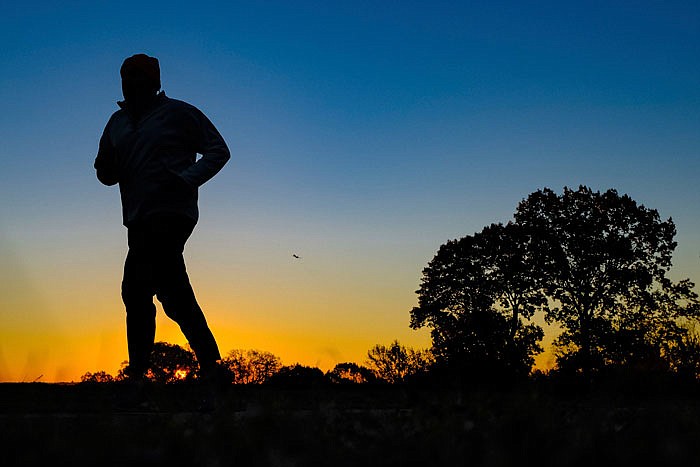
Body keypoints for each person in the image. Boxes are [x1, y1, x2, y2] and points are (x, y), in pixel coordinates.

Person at [94, 53, 230, 382]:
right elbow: (103, 169)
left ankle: (138, 380)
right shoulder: (117, 123)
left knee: (135, 289)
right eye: (127, 76)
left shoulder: (179, 113)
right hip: (137, 218)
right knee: (172, 293)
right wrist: (109, 170)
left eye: (140, 76)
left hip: (172, 214)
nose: (133, 82)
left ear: (155, 81)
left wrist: (186, 178)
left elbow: (218, 150)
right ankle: (214, 371)